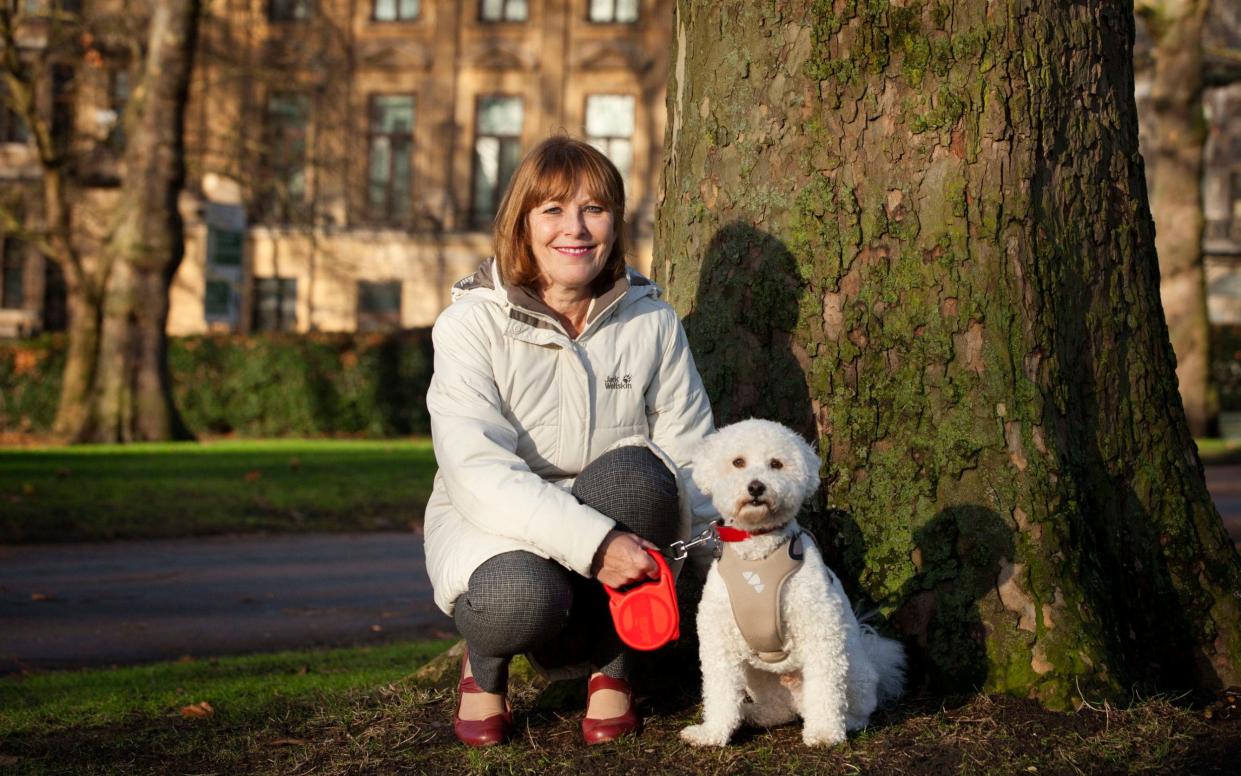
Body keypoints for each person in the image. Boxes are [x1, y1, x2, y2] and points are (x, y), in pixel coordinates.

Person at [423, 136, 715, 747]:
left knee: (638, 472)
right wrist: (594, 541)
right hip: (495, 523)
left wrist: (728, 577)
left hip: (616, 507)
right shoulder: (470, 324)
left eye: (594, 209)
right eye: (553, 209)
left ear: (615, 220)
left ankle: (615, 672)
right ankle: (485, 672)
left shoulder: (652, 321)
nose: (575, 229)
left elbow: (691, 456)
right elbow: (477, 472)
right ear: (522, 224)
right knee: (520, 595)